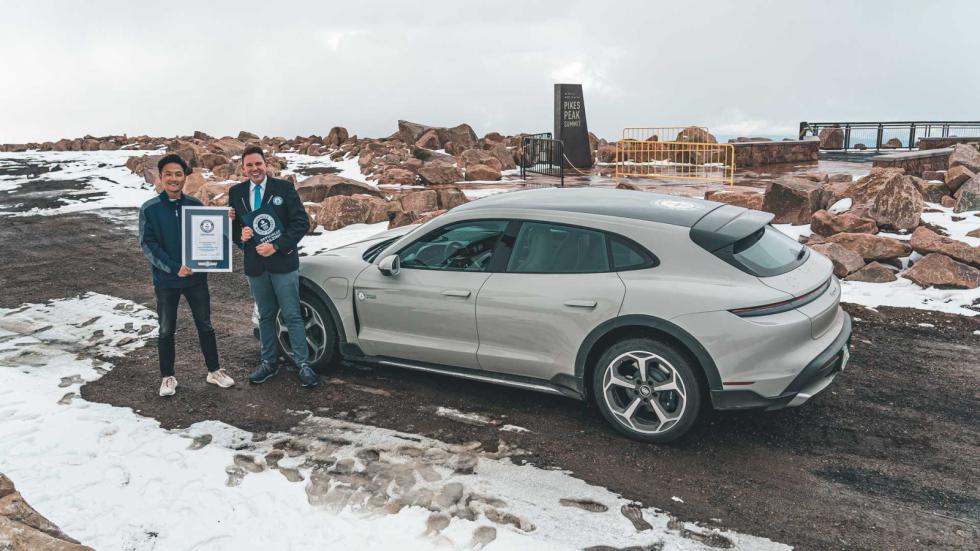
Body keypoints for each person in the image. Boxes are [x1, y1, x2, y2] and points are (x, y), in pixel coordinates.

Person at [139, 154, 235, 396]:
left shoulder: (195, 205)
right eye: (168, 174)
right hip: (166, 281)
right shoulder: (150, 209)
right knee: (166, 329)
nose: (174, 178)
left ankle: (215, 371)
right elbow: (148, 245)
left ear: (184, 177)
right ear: (161, 177)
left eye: (178, 174)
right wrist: (173, 267)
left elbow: (212, 238)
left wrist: (224, 221)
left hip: (196, 279)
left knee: (205, 325)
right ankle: (167, 377)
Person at [229, 145, 318, 387]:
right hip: (256, 266)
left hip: (283, 262)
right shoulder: (236, 192)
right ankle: (269, 363)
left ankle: (303, 364)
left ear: (266, 164)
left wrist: (276, 246)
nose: (254, 168)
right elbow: (235, 231)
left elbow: (301, 223)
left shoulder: (284, 188)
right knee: (266, 316)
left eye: (258, 163)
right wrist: (241, 235)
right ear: (243, 168)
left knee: (292, 314)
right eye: (249, 165)